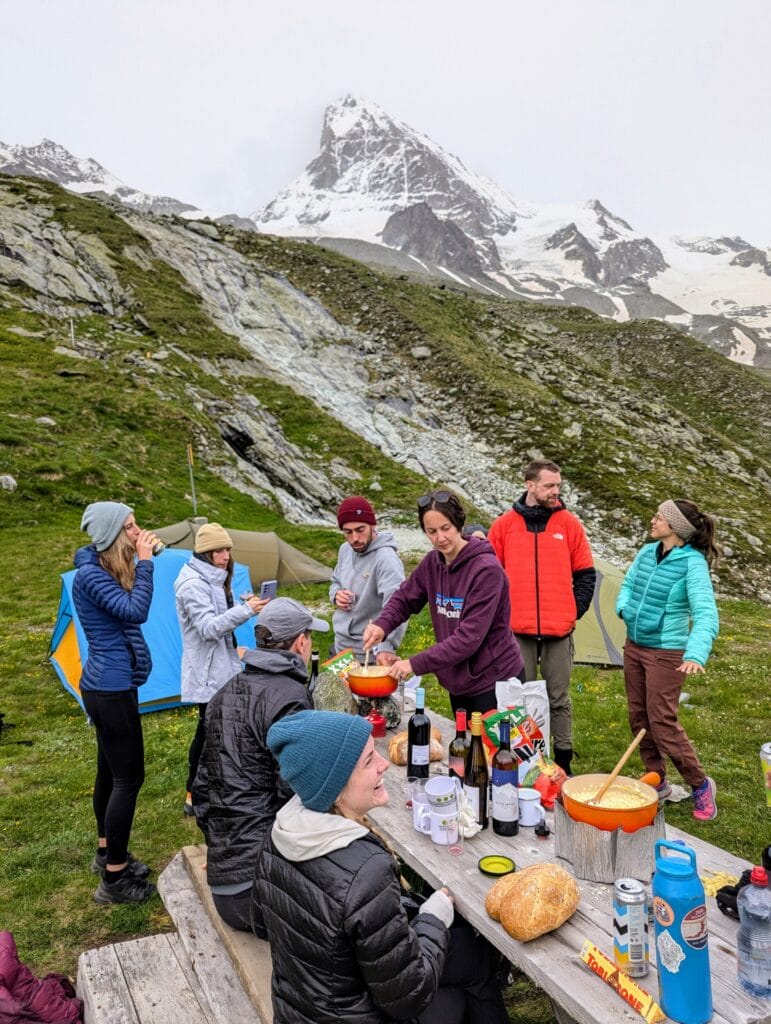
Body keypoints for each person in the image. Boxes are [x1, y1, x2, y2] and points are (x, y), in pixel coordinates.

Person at [253, 709, 509, 1023]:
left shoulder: (279, 835)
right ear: (335, 788)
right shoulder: (366, 868)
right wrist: (433, 918)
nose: (384, 764)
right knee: (468, 970)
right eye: (368, 762)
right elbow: (408, 996)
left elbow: (261, 926)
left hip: (298, 1012)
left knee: (466, 950)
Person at [193, 597, 328, 933]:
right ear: (300, 642)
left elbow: (201, 786)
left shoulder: (224, 692)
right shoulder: (291, 697)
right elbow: (297, 793)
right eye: (309, 637)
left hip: (227, 883)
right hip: (264, 891)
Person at [363, 489, 524, 715]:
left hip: (495, 680)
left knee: (494, 748)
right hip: (458, 678)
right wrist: (382, 625)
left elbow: (468, 639)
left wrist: (413, 664)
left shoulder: (487, 571)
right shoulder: (433, 562)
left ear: (458, 524)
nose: (440, 538)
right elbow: (405, 598)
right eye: (432, 531)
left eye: (445, 528)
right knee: (463, 744)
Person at [73, 501, 160, 905]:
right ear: (110, 534)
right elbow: (136, 610)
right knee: (129, 779)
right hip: (109, 689)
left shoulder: (101, 568)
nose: (137, 531)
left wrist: (140, 557)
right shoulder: (90, 575)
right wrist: (145, 563)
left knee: (109, 771)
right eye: (129, 527)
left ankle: (107, 852)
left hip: (109, 685)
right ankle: (115, 880)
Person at [488, 460, 596, 775]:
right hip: (516, 632)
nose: (555, 491)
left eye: (558, 486)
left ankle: (562, 765)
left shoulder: (569, 525)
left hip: (558, 633)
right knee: (516, 698)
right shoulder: (504, 526)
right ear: (530, 485)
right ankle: (520, 761)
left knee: (558, 698)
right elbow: (489, 577)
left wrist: (571, 611)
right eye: (549, 485)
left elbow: (586, 575)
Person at [616, 499, 720, 821]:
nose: (653, 520)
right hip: (634, 646)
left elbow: (706, 613)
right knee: (638, 717)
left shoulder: (692, 564)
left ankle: (700, 785)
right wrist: (624, 608)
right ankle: (657, 778)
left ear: (675, 527)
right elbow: (629, 584)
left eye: (660, 517)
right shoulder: (647, 553)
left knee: (661, 720)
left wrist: (695, 653)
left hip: (667, 651)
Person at [174, 522, 269, 816]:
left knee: (217, 730)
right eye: (218, 550)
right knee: (206, 732)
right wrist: (246, 612)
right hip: (206, 672)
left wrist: (242, 604)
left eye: (227, 548)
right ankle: (194, 793)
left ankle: (215, 787)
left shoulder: (213, 579)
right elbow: (207, 628)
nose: (225, 555)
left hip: (221, 666)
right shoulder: (192, 584)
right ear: (204, 553)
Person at [329, 495, 406, 665]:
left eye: (360, 529)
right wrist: (336, 594)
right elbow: (335, 580)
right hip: (340, 647)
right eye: (347, 532)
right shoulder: (345, 550)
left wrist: (387, 646)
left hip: (370, 653)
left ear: (372, 525)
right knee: (335, 692)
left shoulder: (386, 559)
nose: (354, 538)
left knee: (364, 693)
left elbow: (399, 604)